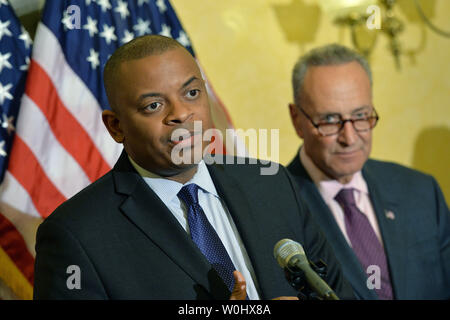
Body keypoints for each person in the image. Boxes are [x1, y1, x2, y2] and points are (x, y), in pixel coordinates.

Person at [33, 35, 353, 300]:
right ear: (115, 126)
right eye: (154, 105)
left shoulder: (271, 184)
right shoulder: (76, 235)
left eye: (192, 93)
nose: (182, 114)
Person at [287, 43, 450, 300]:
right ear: (297, 120)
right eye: (330, 120)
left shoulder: (420, 191)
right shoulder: (276, 209)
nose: (350, 138)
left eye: (361, 116)